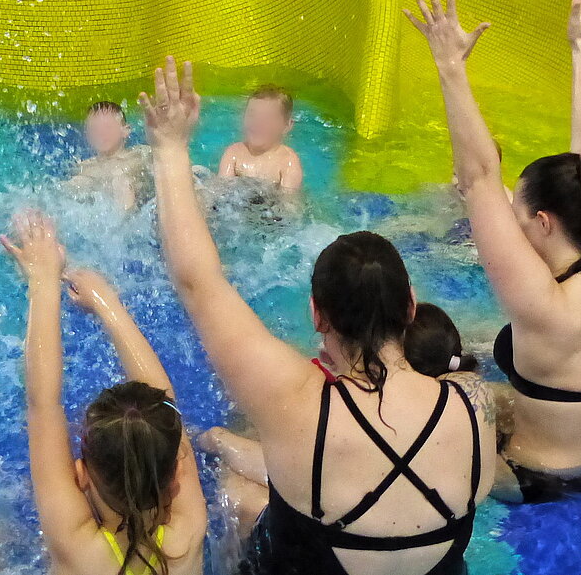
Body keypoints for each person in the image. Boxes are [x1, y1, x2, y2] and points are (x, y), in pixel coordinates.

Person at [142, 56, 493, 575]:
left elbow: (199, 284)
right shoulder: (472, 400)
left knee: (235, 490)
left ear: (318, 315)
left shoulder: (297, 401)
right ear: (412, 308)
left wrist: (169, 147)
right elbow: (484, 178)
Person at [405, 0, 581, 504]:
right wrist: (579, 44)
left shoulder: (544, 306)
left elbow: (476, 178)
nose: (509, 217)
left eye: (518, 209)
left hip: (533, 483)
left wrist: (450, 67)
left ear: (543, 221)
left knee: (422, 395)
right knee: (480, 388)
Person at [0, 212, 206, 575]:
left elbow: (42, 405)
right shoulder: (187, 533)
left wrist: (42, 279)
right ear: (175, 478)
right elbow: (166, 402)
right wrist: (108, 303)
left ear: (80, 475)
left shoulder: (79, 548)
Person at [199, 301, 489, 548]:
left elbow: (283, 473)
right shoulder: (467, 408)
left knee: (238, 491)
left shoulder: (346, 415)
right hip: (427, 551)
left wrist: (219, 440)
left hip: (338, 544)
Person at [218, 85, 303, 197]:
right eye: (252, 115)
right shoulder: (234, 153)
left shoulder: (287, 162)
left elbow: (289, 206)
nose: (258, 123)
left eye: (268, 117)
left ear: (287, 126)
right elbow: (220, 194)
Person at [68, 101, 151, 211]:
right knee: (76, 184)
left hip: (137, 207)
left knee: (121, 181)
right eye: (95, 129)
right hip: (103, 211)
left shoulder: (139, 154)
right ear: (87, 135)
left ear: (126, 131)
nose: (101, 133)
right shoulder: (84, 167)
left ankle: (124, 224)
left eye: (108, 127)